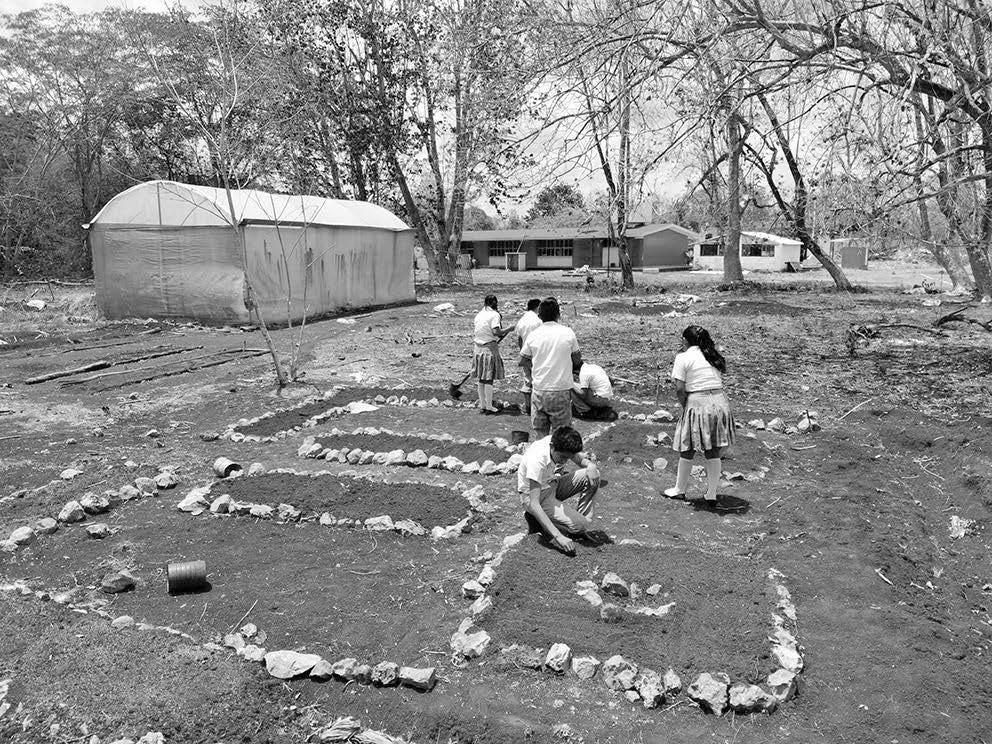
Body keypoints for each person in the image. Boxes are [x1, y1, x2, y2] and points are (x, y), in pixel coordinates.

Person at [663, 325, 736, 507]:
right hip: (719, 402)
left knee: (687, 446)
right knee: (713, 448)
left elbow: (680, 388)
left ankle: (679, 490)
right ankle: (711, 494)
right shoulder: (712, 355)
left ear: (685, 340)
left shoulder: (683, 357)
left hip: (698, 401)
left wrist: (685, 406)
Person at [518, 426, 601, 555]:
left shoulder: (560, 442)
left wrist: (591, 465)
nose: (564, 461)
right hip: (534, 496)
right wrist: (559, 537)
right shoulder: (537, 459)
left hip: (552, 483)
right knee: (580, 525)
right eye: (562, 457)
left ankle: (578, 529)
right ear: (552, 446)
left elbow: (579, 459)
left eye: (568, 457)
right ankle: (542, 520)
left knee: (593, 474)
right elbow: (534, 503)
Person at [519, 297, 582, 437]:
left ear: (540, 315)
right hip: (560, 390)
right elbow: (577, 358)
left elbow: (523, 360)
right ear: (558, 315)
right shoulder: (567, 332)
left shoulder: (534, 335)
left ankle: (543, 451)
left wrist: (536, 366)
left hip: (539, 390)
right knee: (561, 436)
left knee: (540, 435)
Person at [472, 294, 511, 414]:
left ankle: (483, 405)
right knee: (488, 378)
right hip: (488, 348)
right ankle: (489, 406)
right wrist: (509, 329)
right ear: (495, 304)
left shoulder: (479, 314)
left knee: (481, 378)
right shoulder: (495, 315)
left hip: (478, 348)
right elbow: (496, 332)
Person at [514, 298, 542, 414]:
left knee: (527, 379)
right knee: (538, 380)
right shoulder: (538, 321)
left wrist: (522, 353)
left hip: (525, 354)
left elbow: (519, 339)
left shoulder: (521, 321)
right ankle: (537, 407)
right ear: (538, 307)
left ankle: (528, 407)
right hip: (537, 354)